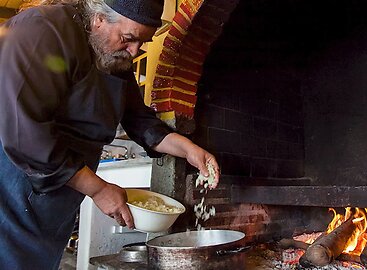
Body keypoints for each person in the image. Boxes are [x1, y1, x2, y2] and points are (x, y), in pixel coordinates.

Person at [0, 0, 220, 268]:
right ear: (99, 18)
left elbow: (139, 120)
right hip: (12, 187)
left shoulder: (114, 55)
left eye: (142, 44)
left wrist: (189, 150)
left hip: (55, 197)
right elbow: (25, 132)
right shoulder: (43, 29)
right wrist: (98, 188)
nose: (134, 51)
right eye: (128, 39)